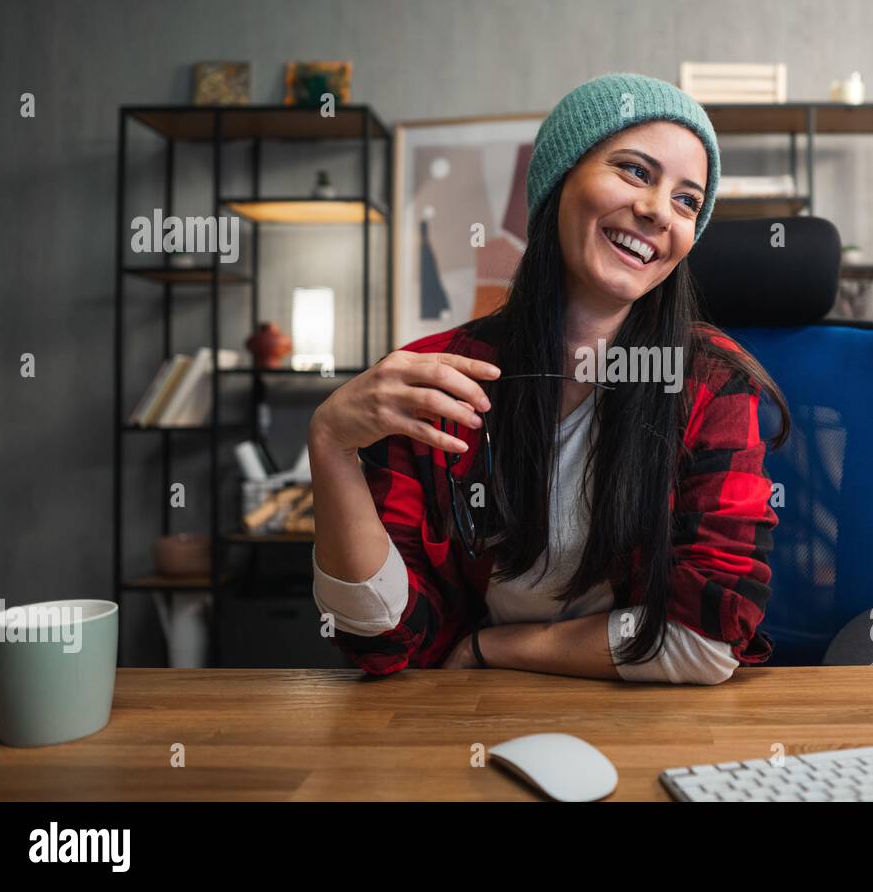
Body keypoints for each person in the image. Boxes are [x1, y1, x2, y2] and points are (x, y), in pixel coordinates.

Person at [308, 72, 790, 684]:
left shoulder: (710, 382)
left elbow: (706, 638)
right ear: (558, 182)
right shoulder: (440, 379)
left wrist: (493, 648)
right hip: (470, 721)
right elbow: (383, 638)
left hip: (653, 720)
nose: (655, 210)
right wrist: (330, 444)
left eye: (687, 200)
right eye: (636, 171)